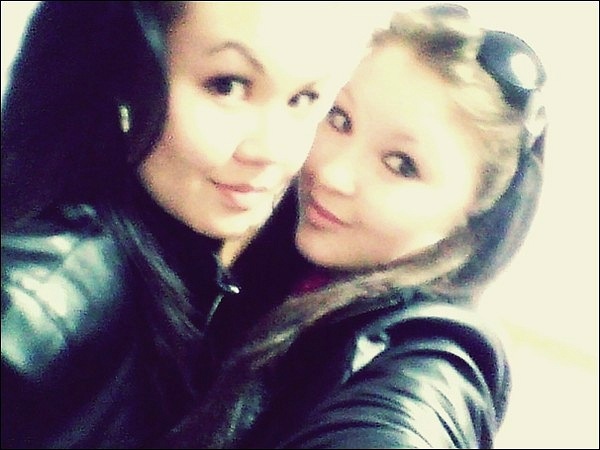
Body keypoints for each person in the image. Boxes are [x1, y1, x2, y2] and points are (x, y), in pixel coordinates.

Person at [161, 3, 547, 448]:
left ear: (473, 210)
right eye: (340, 119)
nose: (331, 174)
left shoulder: (428, 363)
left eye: (401, 164)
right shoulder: (274, 261)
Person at [0, 2, 383, 448]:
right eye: (228, 86)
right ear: (125, 74)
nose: (274, 150)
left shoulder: (194, 244)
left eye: (304, 99)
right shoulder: (37, 305)